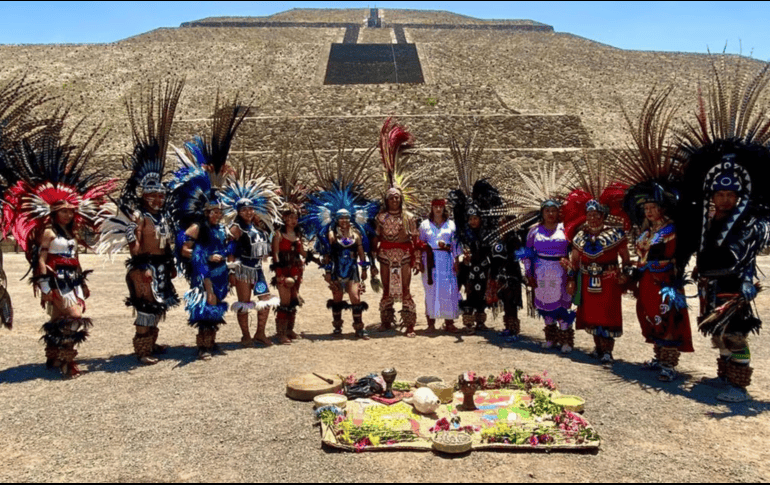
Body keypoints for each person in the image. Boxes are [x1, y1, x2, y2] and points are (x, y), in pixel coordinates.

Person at [3, 118, 114, 378]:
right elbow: (41, 258)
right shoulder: (49, 232)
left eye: (71, 211)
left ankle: (53, 355)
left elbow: (75, 258)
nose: (68, 214)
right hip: (55, 280)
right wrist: (44, 285)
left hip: (72, 278)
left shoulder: (70, 233)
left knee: (58, 319)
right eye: (64, 211)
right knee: (73, 316)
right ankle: (67, 361)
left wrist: (82, 281)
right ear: (54, 213)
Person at [117, 80, 184, 365]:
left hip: (161, 264)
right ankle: (142, 350)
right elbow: (134, 246)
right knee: (145, 306)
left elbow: (166, 242)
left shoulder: (162, 216)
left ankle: (152, 344)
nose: (158, 199)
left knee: (158, 305)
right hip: (144, 266)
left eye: (161, 195)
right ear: (144, 196)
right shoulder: (138, 217)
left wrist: (169, 262)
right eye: (153, 195)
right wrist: (141, 265)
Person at [564, 183, 631, 365]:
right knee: (592, 314)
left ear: (603, 216)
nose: (592, 218)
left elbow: (626, 258)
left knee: (608, 314)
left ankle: (608, 351)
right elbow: (574, 261)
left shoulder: (615, 234)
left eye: (596, 215)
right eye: (590, 215)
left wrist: (625, 275)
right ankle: (598, 348)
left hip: (609, 281)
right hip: (587, 280)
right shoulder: (580, 236)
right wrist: (571, 280)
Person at [220, 170, 283, 347]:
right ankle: (246, 336)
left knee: (265, 299)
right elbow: (230, 250)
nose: (248, 212)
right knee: (245, 303)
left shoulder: (258, 228)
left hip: (257, 271)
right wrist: (231, 272)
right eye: (244, 210)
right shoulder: (236, 228)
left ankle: (260, 333)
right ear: (238, 211)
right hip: (243, 271)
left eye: (250, 209)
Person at [374, 118, 419, 337]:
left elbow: (415, 239)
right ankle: (386, 320)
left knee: (405, 289)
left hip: (404, 255)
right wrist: (371, 258)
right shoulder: (380, 217)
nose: (394, 200)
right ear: (387, 200)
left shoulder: (408, 217)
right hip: (385, 254)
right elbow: (376, 238)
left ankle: (409, 324)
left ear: (401, 200)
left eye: (396, 198)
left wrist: (417, 259)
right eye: (391, 198)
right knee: (386, 290)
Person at [520, 201, 574, 351]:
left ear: (558, 213)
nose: (550, 214)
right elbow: (527, 254)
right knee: (545, 305)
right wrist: (529, 274)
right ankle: (550, 339)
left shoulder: (566, 229)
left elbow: (575, 250)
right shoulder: (534, 231)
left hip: (561, 272)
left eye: (553, 210)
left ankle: (566, 341)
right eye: (547, 211)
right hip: (541, 273)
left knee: (562, 305)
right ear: (542, 213)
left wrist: (571, 270)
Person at [417, 199, 461, 333]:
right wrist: (419, 261)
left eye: (440, 207)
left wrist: (457, 261)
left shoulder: (451, 224)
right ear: (432, 208)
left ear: (444, 208)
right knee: (430, 291)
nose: (438, 209)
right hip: (430, 261)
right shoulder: (425, 224)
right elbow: (420, 244)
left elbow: (455, 244)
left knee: (449, 290)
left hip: (447, 259)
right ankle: (431, 323)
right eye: (435, 207)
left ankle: (449, 323)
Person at [271, 206, 306, 344]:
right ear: (284, 218)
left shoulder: (298, 235)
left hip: (296, 271)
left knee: (293, 299)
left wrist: (319, 259)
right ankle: (281, 333)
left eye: (295, 218)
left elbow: (302, 253)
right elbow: (275, 254)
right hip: (283, 271)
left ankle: (289, 329)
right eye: (290, 217)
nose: (293, 220)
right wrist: (279, 273)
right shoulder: (278, 234)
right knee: (285, 302)